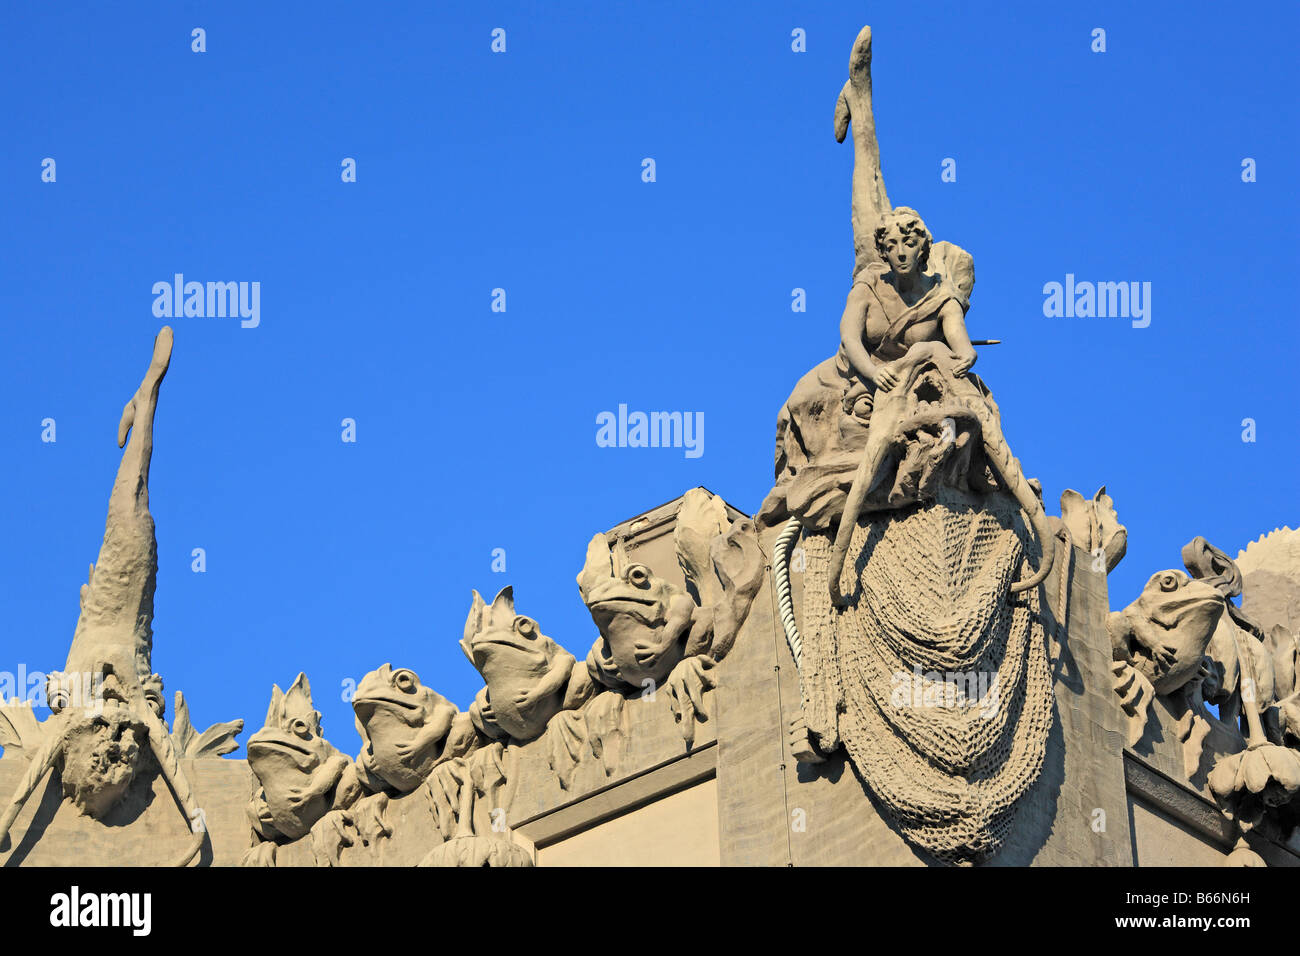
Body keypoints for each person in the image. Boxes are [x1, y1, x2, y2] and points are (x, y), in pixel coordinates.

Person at [837, 206, 976, 394]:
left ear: (922, 249)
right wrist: (873, 372)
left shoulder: (942, 295)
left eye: (909, 243)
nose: (901, 253)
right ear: (884, 252)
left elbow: (961, 344)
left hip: (917, 374)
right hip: (862, 371)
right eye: (892, 246)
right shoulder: (868, 284)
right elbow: (850, 338)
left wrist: (967, 355)